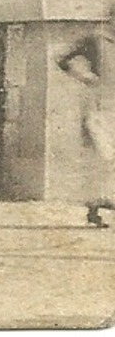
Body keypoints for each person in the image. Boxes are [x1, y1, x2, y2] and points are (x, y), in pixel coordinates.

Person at [57, 11, 115, 228]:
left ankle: (97, 205)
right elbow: (62, 58)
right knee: (103, 156)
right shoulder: (97, 38)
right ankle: (95, 205)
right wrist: (85, 76)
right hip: (99, 108)